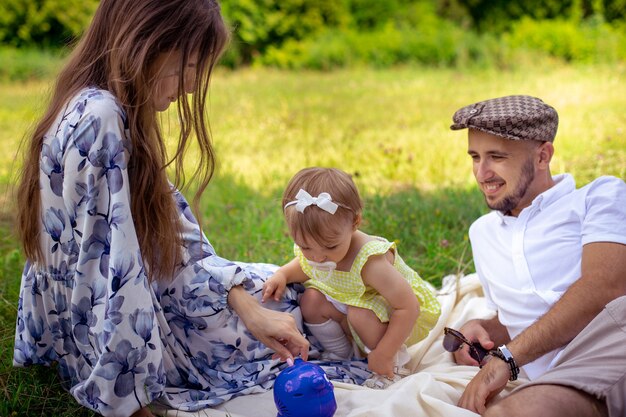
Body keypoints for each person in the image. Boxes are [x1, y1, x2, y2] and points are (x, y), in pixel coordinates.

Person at [12, 1, 310, 416]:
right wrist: (130, 404)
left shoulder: (104, 106)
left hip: (144, 294)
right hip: (110, 334)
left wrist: (246, 306)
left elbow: (172, 229)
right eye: (190, 66)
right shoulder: (99, 116)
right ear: (150, 42)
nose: (190, 87)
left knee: (286, 295)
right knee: (303, 304)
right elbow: (105, 271)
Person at [448, 95, 626, 416]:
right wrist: (487, 330)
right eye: (475, 157)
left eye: (496, 157)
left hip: (613, 344)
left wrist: (507, 359)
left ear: (543, 155)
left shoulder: (598, 197)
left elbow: (605, 288)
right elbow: (523, 318)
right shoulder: (482, 233)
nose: (482, 173)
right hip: (557, 378)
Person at [262, 167, 441, 388]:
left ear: (355, 222)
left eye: (330, 246)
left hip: (387, 314)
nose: (317, 257)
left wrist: (385, 352)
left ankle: (390, 366)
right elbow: (304, 265)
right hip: (349, 299)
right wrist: (282, 274)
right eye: (305, 246)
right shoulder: (318, 251)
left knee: (359, 313)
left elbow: (408, 307)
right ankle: (342, 355)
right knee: (311, 300)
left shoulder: (371, 262)